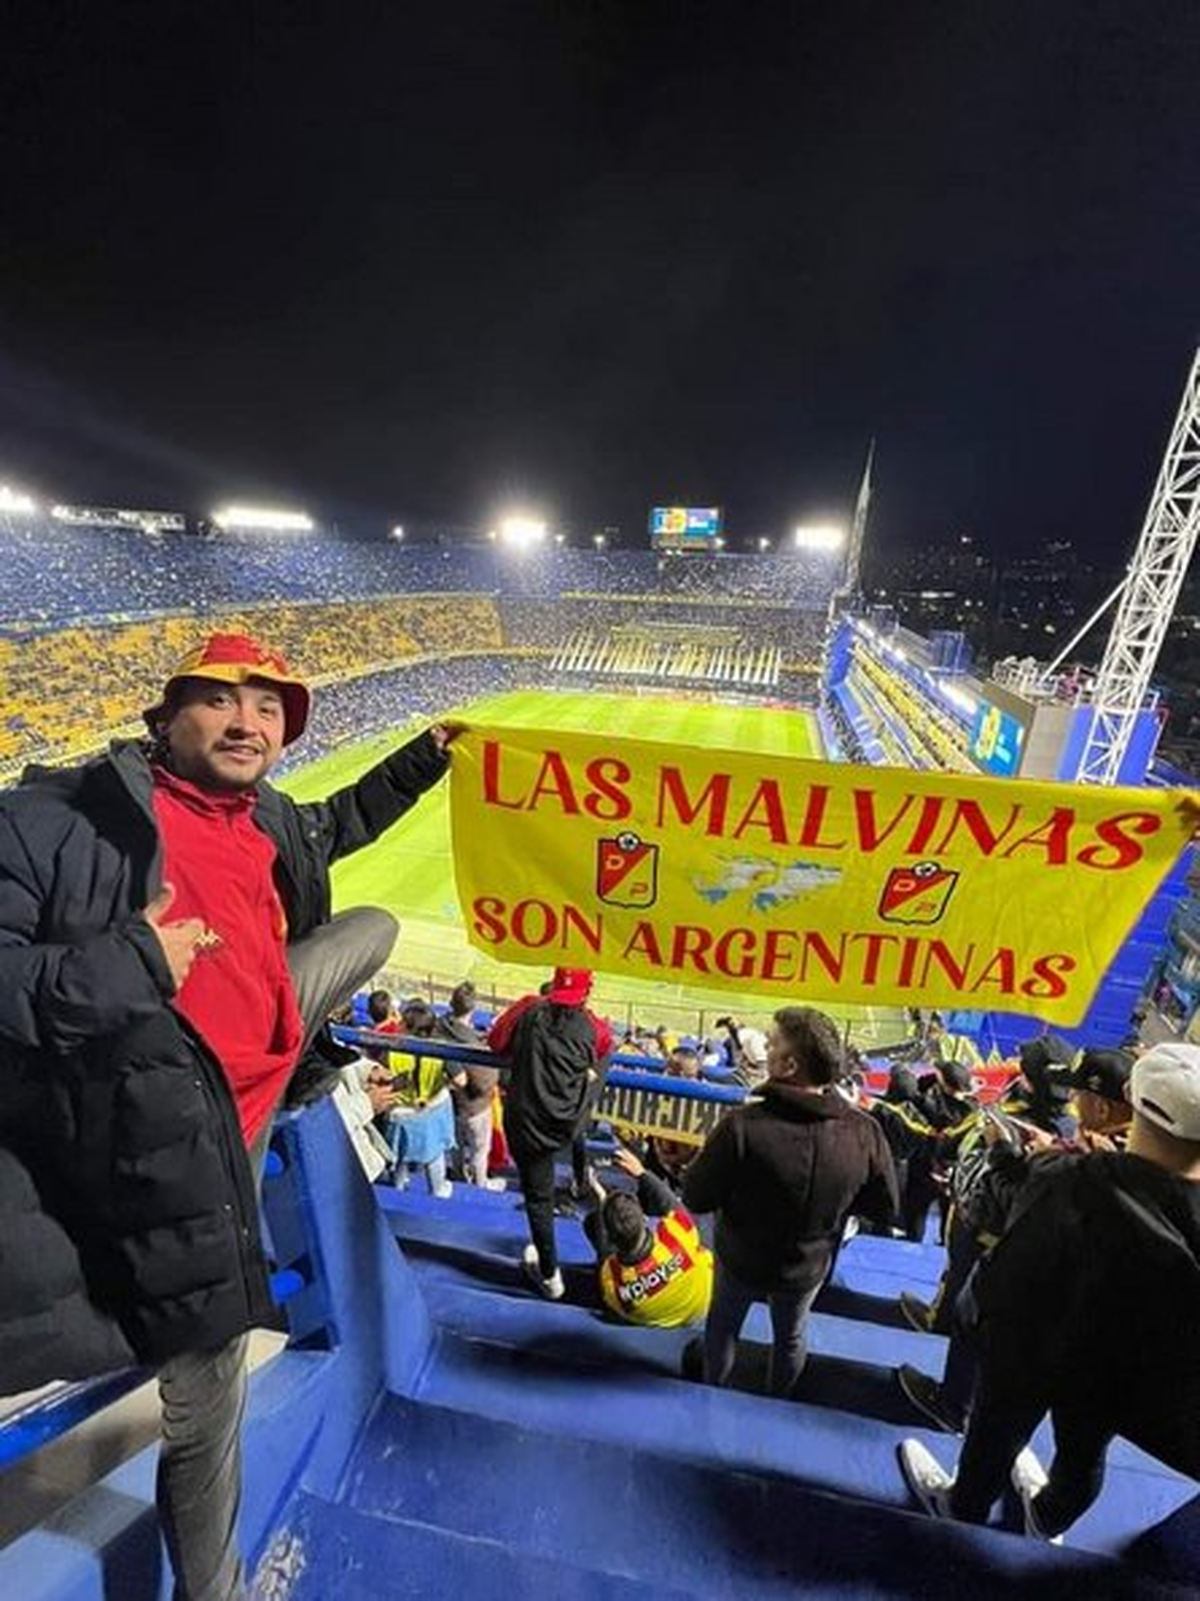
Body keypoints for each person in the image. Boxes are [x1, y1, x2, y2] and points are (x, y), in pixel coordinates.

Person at [0, 631, 456, 1600]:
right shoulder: (59, 820)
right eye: (220, 698)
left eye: (269, 706)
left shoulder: (271, 821)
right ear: (162, 718)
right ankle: (218, 1590)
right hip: (181, 1132)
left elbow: (343, 819)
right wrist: (130, 962)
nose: (248, 719)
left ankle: (286, 1059)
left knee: (374, 926)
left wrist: (426, 754)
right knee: (210, 1395)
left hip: (255, 1083)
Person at [899, 1041, 1200, 1542]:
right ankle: (1048, 1519)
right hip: (1122, 1376)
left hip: (1028, 1353)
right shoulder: (1079, 1174)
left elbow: (997, 1241)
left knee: (994, 1438)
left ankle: (962, 1508)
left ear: (1130, 1096)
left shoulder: (1066, 1179)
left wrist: (1020, 1157)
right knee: (1083, 1456)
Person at [897, 1045, 1137, 1432]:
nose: (1071, 1100)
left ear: (1104, 1108)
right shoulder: (1111, 1149)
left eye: (1080, 1094)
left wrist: (1009, 1155)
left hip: (1017, 1264)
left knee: (977, 1328)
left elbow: (1045, 1198)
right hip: (1031, 1270)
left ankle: (954, 1408)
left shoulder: (1109, 1165)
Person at [682, 1005, 898, 1397]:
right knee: (792, 1337)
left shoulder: (742, 1126)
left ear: (789, 1064)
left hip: (741, 1260)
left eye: (772, 1041)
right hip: (807, 1267)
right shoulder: (865, 1132)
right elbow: (884, 1208)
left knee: (722, 1328)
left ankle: (710, 1396)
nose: (764, 1045)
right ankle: (776, 1403)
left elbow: (695, 1195)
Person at [489, 968, 613, 1300]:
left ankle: (550, 1276)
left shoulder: (530, 1008)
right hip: (564, 1127)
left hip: (525, 1124)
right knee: (544, 1192)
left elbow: (496, 1041)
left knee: (539, 1200)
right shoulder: (597, 1029)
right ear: (587, 992)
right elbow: (603, 1052)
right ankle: (581, 1179)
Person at [585, 1146, 713, 1328]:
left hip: (657, 1319)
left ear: (611, 1239)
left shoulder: (612, 1279)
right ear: (645, 1220)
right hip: (703, 1304)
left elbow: (605, 1253)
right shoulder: (675, 1237)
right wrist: (641, 1173)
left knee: (592, 1224)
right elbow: (672, 1204)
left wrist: (601, 1199)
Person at [439, 981, 504, 1190]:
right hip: (474, 1106)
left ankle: (458, 1174)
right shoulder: (472, 1044)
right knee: (479, 1149)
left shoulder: (442, 1027)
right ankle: (480, 1184)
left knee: (456, 1143)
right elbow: (475, 1081)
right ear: (473, 1009)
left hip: (451, 1104)